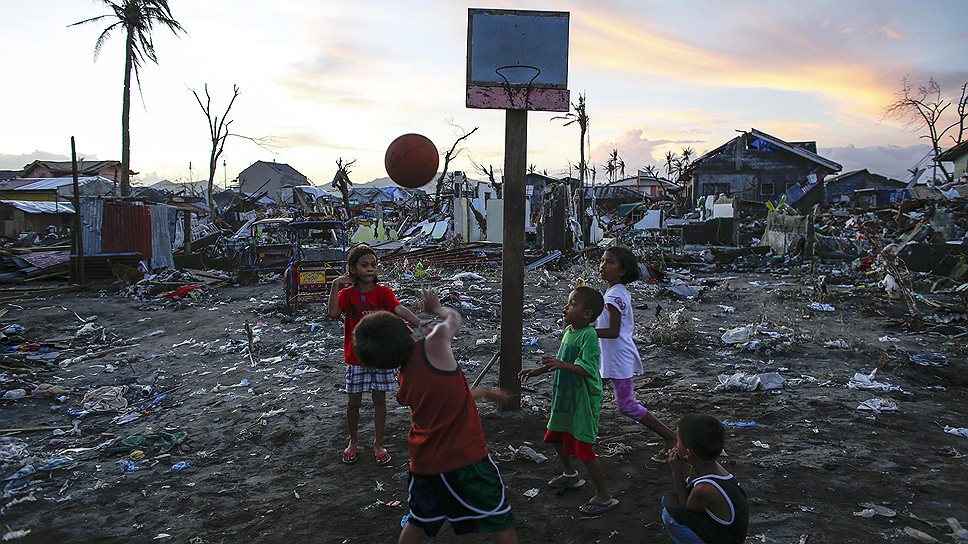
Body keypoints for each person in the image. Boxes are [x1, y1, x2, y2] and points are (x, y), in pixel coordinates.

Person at [353, 290, 518, 544]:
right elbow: (454, 318)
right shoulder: (435, 343)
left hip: (424, 465)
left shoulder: (404, 379)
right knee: (499, 516)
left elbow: (445, 399)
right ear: (406, 329)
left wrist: (483, 393)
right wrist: (437, 309)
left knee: (419, 521)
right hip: (466, 459)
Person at [518, 286, 619, 516]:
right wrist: (538, 370)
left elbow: (589, 370)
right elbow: (561, 361)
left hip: (582, 400)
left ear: (587, 314)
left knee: (584, 448)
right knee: (555, 436)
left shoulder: (589, 336)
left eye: (573, 304)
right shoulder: (570, 331)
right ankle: (571, 475)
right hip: (565, 398)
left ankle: (604, 496)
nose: (566, 306)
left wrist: (561, 365)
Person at [327, 244, 421, 465]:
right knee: (354, 403)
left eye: (373, 265)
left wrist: (420, 323)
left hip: (381, 356)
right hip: (356, 357)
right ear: (352, 269)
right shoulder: (347, 294)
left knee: (380, 400)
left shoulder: (383, 293)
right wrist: (334, 285)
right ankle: (353, 441)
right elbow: (332, 313)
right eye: (364, 265)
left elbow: (398, 309)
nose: (370, 269)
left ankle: (379, 443)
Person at [595, 245, 676, 461]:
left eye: (609, 262)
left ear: (622, 270)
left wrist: (585, 329)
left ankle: (671, 437)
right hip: (610, 357)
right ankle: (581, 437)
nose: (603, 266)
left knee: (627, 405)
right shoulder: (616, 292)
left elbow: (612, 331)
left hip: (617, 357)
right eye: (603, 260)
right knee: (589, 393)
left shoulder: (614, 297)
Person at [662, 414, 749, 544]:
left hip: (728, 540)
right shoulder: (707, 466)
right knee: (668, 500)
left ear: (688, 453)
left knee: (669, 516)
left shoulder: (705, 488)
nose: (675, 444)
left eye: (678, 440)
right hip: (726, 531)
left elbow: (686, 509)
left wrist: (676, 472)